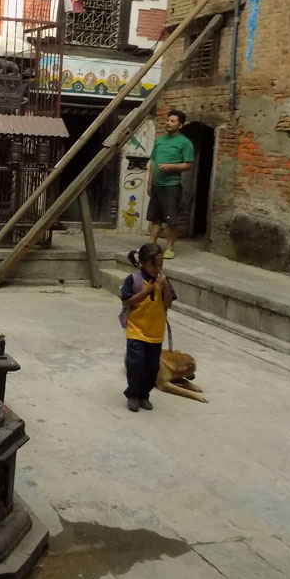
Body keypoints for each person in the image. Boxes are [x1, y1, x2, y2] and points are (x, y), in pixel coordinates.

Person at [120, 242, 175, 413]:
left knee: (152, 367)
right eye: (153, 264)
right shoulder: (134, 279)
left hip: (155, 332)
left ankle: (144, 395)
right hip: (136, 329)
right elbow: (126, 301)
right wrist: (145, 292)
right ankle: (133, 395)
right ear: (143, 262)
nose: (157, 268)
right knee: (135, 363)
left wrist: (164, 287)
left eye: (160, 264)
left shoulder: (163, 281)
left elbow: (169, 303)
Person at [146, 109, 194, 260]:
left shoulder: (185, 143)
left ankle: (169, 248)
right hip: (157, 185)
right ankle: (151, 246)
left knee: (171, 219)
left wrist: (171, 167)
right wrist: (149, 182)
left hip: (171, 185)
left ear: (180, 125)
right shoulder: (159, 140)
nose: (168, 123)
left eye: (173, 121)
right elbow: (153, 162)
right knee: (155, 218)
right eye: (168, 120)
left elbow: (188, 165)